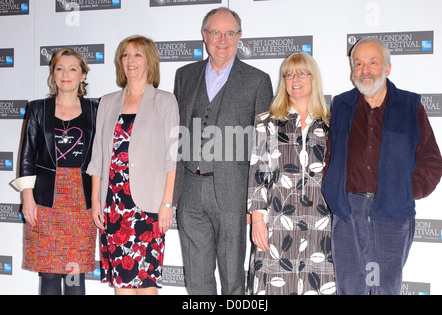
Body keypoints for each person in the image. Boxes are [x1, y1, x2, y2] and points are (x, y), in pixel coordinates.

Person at [322, 38, 442, 295]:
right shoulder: (341, 105)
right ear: (352, 69)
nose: (365, 70)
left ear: (387, 68)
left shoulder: (410, 106)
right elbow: (330, 157)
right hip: (348, 212)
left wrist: (403, 191)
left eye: (372, 62)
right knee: (350, 289)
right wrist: (334, 192)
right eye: (358, 63)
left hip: (392, 213)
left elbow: (432, 161)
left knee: (384, 289)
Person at [173, 7, 273, 295]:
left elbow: (263, 148)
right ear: (204, 35)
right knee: (196, 279)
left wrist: (255, 207)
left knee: (233, 279)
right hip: (190, 193)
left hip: (234, 193)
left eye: (230, 33)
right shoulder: (184, 75)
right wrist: (174, 195)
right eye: (215, 32)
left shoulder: (257, 80)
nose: (222, 39)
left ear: (239, 37)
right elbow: (178, 137)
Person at [87, 35, 179, 295]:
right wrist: (96, 201)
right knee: (122, 284)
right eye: (125, 55)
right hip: (114, 205)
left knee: (146, 284)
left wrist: (167, 204)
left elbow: (173, 157)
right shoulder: (107, 102)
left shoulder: (164, 101)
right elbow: (97, 159)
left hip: (149, 205)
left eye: (137, 54)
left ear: (150, 61)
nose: (130, 60)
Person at [246, 52, 335, 295]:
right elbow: (258, 173)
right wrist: (256, 219)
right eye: (288, 74)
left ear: (313, 78)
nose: (295, 79)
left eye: (302, 73)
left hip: (322, 224)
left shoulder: (332, 123)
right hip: (277, 222)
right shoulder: (266, 122)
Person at [11, 48, 98, 295]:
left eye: (73, 69)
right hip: (46, 197)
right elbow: (27, 155)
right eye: (59, 68)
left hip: (82, 199)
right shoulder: (38, 108)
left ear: (83, 75)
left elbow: (101, 157)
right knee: (48, 272)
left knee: (74, 273)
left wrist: (97, 198)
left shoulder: (96, 109)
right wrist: (27, 196)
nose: (66, 74)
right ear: (53, 74)